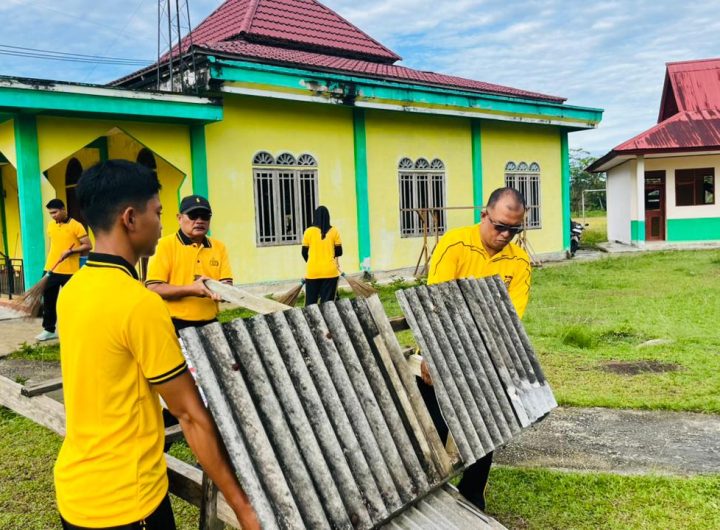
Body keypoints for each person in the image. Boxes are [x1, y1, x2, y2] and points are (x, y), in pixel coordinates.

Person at [54, 160, 259, 530]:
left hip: (75, 492)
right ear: (131, 219)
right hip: (128, 504)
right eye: (158, 212)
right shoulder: (139, 304)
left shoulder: (71, 291)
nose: (161, 224)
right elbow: (190, 416)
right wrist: (244, 508)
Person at [419, 187, 531, 511]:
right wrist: (432, 353)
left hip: (486, 355)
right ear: (484, 215)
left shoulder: (520, 262)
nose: (505, 235)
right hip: (443, 347)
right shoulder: (454, 245)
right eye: (500, 226)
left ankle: (471, 498)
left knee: (487, 427)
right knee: (435, 428)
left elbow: (510, 320)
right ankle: (426, 496)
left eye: (514, 229)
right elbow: (435, 304)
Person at [145, 195, 232, 334]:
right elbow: (154, 288)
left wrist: (223, 291)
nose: (199, 221)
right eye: (193, 215)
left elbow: (226, 283)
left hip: (211, 323)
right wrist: (192, 289)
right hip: (175, 324)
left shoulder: (219, 247)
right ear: (179, 218)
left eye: (205, 216)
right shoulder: (164, 246)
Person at [36, 198, 92, 341]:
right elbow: (53, 246)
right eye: (50, 213)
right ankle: (49, 330)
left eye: (55, 212)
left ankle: (76, 329)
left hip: (70, 271)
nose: (53, 216)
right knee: (48, 300)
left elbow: (88, 245)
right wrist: (48, 262)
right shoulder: (51, 226)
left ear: (63, 209)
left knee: (72, 301)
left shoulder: (76, 226)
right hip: (51, 268)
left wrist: (71, 252)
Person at [301, 205, 343, 305]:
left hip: (313, 272)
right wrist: (331, 257)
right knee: (328, 304)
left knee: (311, 304)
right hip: (330, 272)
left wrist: (311, 261)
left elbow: (303, 252)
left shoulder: (308, 232)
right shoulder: (334, 231)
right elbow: (339, 251)